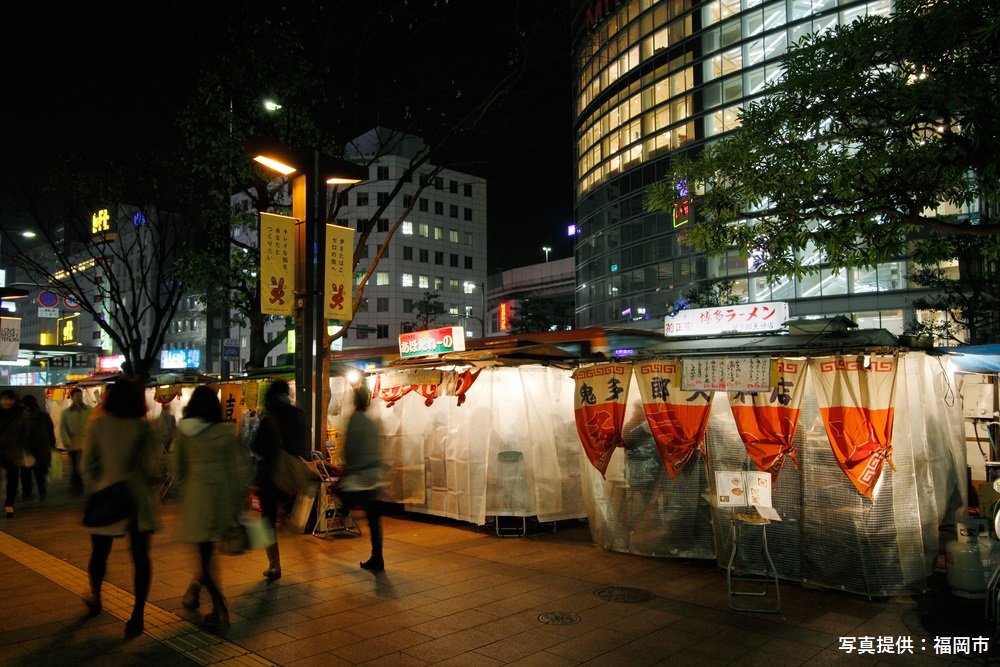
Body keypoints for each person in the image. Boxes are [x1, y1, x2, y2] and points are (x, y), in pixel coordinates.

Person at [82, 376, 159, 639]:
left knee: (99, 553)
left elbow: (87, 466)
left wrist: (101, 485)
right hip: (138, 501)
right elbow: (153, 468)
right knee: (140, 559)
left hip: (107, 496)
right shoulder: (144, 428)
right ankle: (137, 615)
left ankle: (95, 595)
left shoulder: (99, 424)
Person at [172, 386, 245, 628]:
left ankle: (219, 607)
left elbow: (178, 471)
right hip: (221, 500)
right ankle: (196, 594)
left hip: (196, 501)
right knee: (208, 557)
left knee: (204, 558)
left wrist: (186, 492)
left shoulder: (184, 433)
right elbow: (236, 472)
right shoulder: (225, 432)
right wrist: (237, 503)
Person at [250, 379, 307, 580]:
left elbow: (256, 446)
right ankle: (288, 523)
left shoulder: (269, 417)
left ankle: (274, 564)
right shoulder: (297, 414)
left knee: (267, 520)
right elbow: (302, 446)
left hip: (269, 474)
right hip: (289, 474)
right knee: (282, 510)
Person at [338, 384, 386, 572]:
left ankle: (343, 509)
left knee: (348, 497)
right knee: (374, 520)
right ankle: (377, 557)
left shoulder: (354, 421)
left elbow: (349, 449)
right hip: (374, 475)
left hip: (359, 475)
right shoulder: (371, 421)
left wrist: (347, 468)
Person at [20, 395, 56, 501]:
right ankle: (42, 490)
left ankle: (27, 491)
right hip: (42, 447)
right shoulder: (43, 415)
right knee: (40, 472)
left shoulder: (22, 415)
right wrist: (52, 444)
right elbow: (50, 430)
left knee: (26, 472)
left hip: (26, 448)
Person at [0, 389, 28, 518]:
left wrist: (23, 448)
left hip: (13, 450)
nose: (7, 402)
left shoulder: (21, 414)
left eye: (10, 399)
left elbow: (25, 432)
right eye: (4, 399)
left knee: (12, 479)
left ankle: (9, 503)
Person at [59, 388, 92, 494]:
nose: (79, 397)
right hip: (73, 443)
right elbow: (62, 429)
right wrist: (66, 441)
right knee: (75, 466)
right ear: (72, 397)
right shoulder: (66, 413)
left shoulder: (89, 410)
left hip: (86, 442)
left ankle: (77, 483)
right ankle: (77, 484)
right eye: (77, 395)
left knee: (83, 466)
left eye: (80, 395)